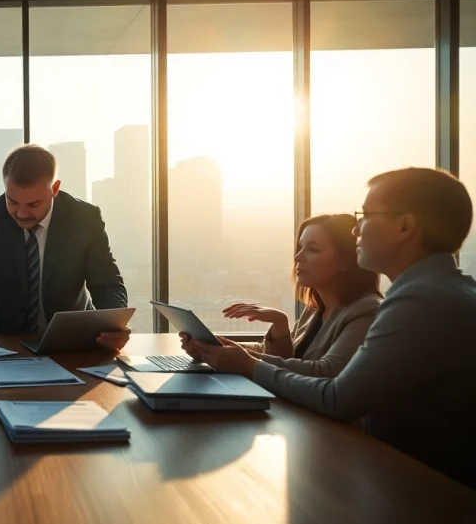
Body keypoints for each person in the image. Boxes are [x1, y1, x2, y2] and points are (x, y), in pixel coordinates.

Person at [183, 168, 476, 489]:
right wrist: (239, 357)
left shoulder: (418, 301)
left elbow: (339, 397)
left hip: (424, 494)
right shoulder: (448, 290)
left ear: (405, 226)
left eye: (365, 216)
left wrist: (250, 365)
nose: (356, 231)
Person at [0, 144, 130, 352]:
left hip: (73, 344)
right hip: (1, 342)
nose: (21, 213)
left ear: (55, 189)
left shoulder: (85, 219)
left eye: (33, 205)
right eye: (12, 201)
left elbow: (107, 283)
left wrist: (114, 326)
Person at [181, 214, 381, 377]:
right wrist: (212, 348)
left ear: (346, 261)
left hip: (333, 426)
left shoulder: (366, 311)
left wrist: (243, 358)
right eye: (300, 247)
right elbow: (289, 362)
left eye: (312, 249)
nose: (297, 257)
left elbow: (326, 372)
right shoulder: (316, 308)